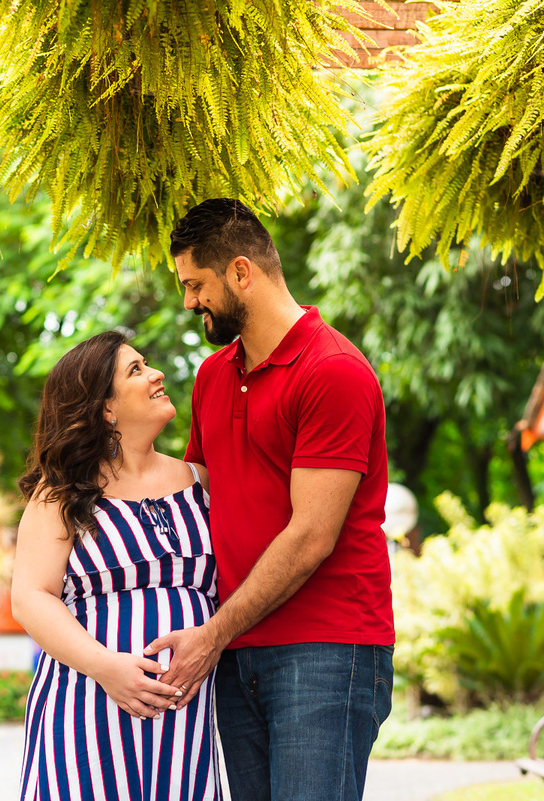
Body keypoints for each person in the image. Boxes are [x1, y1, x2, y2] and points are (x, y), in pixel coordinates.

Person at [144, 198, 394, 800]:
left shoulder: (333, 371)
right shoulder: (212, 376)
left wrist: (211, 634)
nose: (188, 303)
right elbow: (191, 495)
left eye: (195, 284)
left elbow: (312, 535)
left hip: (326, 645)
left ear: (240, 272)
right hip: (236, 646)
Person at [12, 331, 222, 801]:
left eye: (147, 364)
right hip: (87, 706)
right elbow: (30, 598)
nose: (156, 374)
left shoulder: (200, 481)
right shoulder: (61, 493)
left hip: (185, 722)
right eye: (136, 370)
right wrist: (107, 667)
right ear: (105, 408)